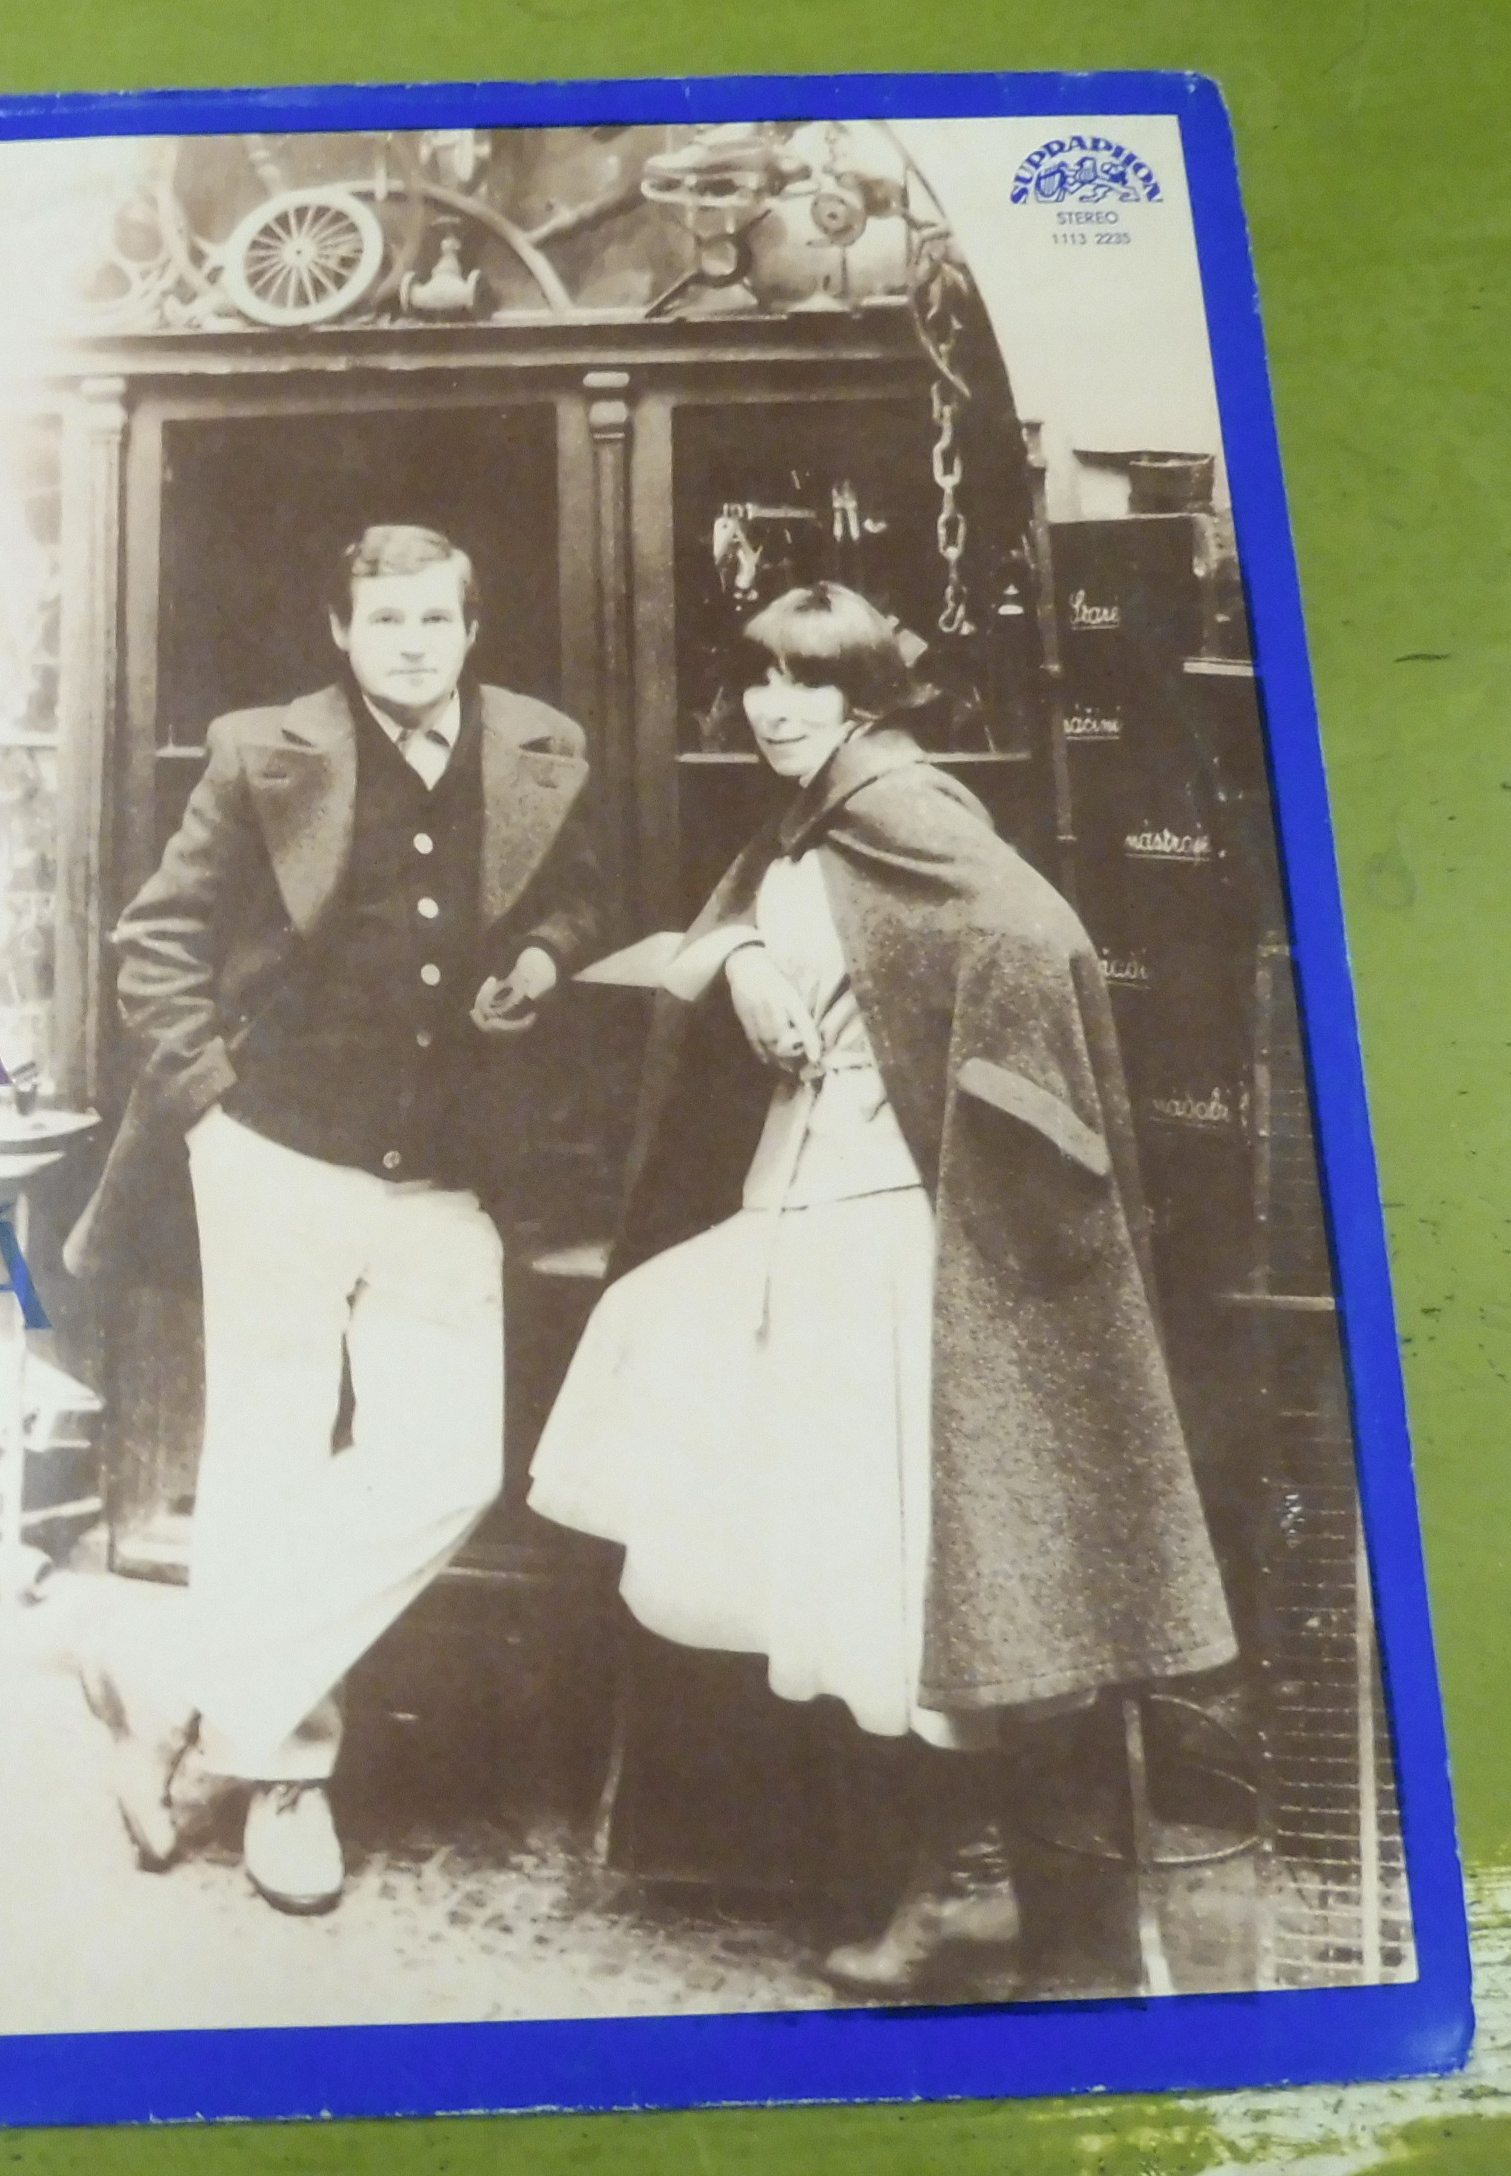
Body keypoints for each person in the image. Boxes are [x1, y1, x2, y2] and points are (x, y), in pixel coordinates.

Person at [527, 582, 1235, 1997]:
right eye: (759, 680)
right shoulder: (815, 817)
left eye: (811, 682)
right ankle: (944, 1874)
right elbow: (730, 922)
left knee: (900, 1563)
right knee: (787, 1487)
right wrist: (740, 959)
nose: (774, 708)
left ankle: (971, 1885)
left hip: (885, 1222)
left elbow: (1044, 944)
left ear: (868, 699)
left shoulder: (908, 809)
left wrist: (993, 1116)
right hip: (802, 1206)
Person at [63, 523, 609, 1914]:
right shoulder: (265, 751)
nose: (411, 644)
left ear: (471, 629)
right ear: (341, 632)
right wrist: (206, 1107)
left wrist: (546, 959)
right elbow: (156, 942)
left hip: (446, 1171)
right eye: (384, 621)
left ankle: (173, 1687)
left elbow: (578, 895)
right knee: (270, 1457)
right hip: (276, 1157)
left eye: (434, 619)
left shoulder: (540, 746)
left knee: (446, 1468)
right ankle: (286, 1777)